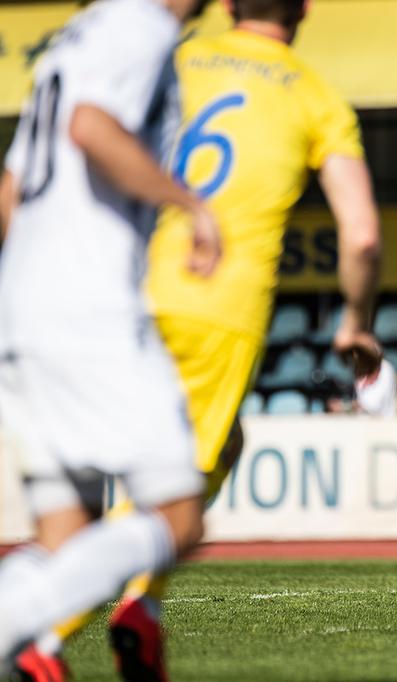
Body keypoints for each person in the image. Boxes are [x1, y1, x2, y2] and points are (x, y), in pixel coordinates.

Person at [37, 0, 382, 678]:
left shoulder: (174, 55)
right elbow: (363, 235)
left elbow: (89, 137)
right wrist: (355, 319)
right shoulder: (315, 94)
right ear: (304, 9)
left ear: (228, 5)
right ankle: (43, 629)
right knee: (168, 496)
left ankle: (143, 607)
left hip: (119, 285)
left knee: (222, 445)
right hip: (215, 300)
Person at [0, 0, 220, 677]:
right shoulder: (140, 27)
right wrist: (189, 205)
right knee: (179, 516)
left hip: (27, 307)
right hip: (88, 310)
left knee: (64, 539)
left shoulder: (81, 33)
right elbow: (91, 127)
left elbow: (9, 190)